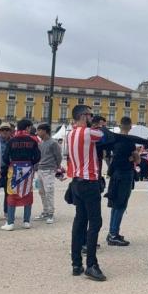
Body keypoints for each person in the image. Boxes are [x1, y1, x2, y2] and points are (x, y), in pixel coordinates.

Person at [67, 105, 110, 281]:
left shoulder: (70, 134)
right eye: (90, 115)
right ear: (84, 116)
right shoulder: (88, 133)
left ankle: (76, 263)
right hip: (89, 182)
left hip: (76, 181)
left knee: (79, 221)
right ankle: (91, 264)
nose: (92, 118)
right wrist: (97, 124)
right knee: (95, 222)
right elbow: (105, 135)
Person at [102, 116, 148, 246]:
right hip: (125, 175)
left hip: (115, 174)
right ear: (130, 126)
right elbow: (138, 160)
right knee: (121, 204)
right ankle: (113, 233)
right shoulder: (130, 142)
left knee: (115, 203)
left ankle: (112, 232)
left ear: (119, 125)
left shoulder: (114, 140)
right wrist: (132, 157)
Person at [1, 119, 41, 231]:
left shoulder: (12, 141)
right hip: (28, 168)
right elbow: (38, 156)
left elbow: (5, 157)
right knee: (27, 192)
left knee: (11, 193)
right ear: (28, 128)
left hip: (14, 168)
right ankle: (26, 221)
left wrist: (11, 164)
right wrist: (30, 163)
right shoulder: (32, 140)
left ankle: (10, 222)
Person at [33, 123, 63, 224]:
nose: (37, 132)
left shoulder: (53, 143)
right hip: (40, 170)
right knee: (41, 192)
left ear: (45, 131)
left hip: (49, 170)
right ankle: (45, 211)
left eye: (39, 130)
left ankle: (50, 213)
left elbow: (58, 156)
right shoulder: (41, 143)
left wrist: (56, 167)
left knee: (49, 191)